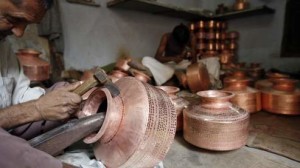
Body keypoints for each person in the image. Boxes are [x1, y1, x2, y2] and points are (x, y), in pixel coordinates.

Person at [0, 0, 82, 167]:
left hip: (9, 131)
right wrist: (36, 108)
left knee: (62, 91)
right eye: (12, 19)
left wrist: (56, 97)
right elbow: (30, 109)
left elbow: (20, 95)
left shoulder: (3, 46)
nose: (19, 33)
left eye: (27, 24)